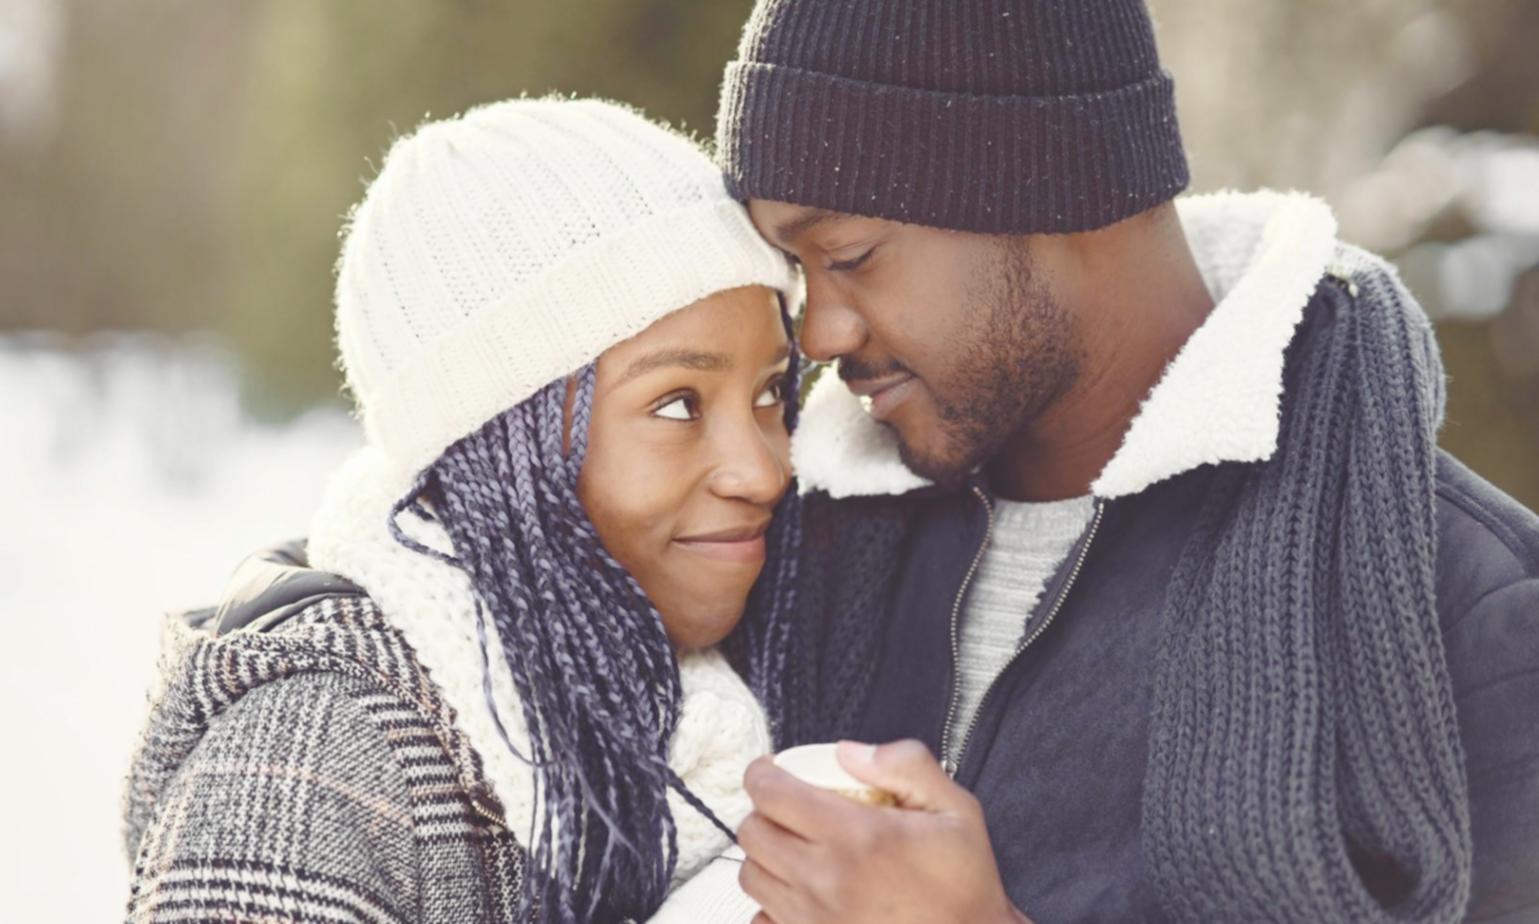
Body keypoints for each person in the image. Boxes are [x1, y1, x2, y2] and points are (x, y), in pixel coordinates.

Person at [712, 1, 1539, 922]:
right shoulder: (784, 556)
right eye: (796, 274)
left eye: (851, 255)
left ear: (1050, 183)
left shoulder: (1472, 607)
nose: (819, 332)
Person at [122, 97, 802, 923]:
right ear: (491, 446)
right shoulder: (321, 753)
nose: (762, 471)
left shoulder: (728, 701)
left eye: (770, 392)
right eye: (675, 405)